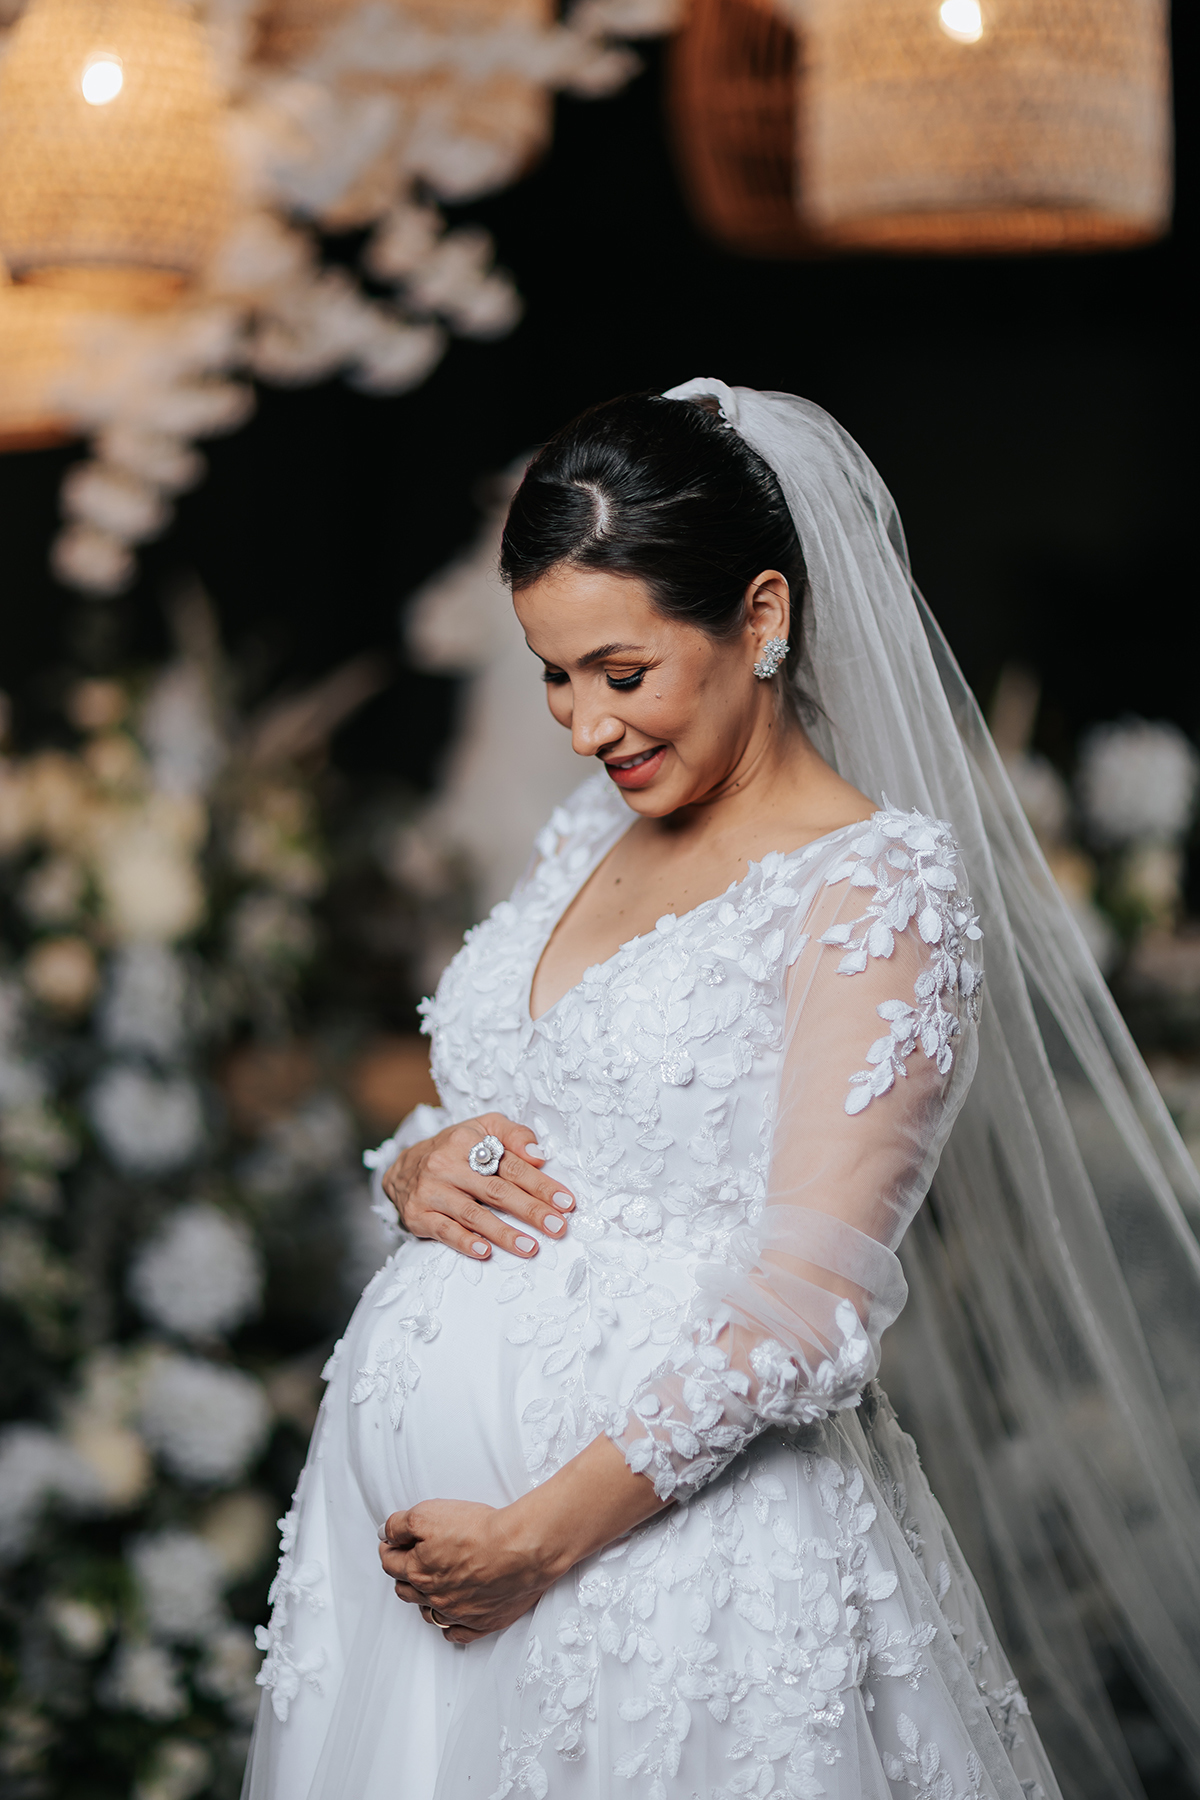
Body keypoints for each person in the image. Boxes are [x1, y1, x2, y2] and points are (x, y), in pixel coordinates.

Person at [241, 384, 1200, 1800]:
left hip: (665, 1571)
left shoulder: (877, 889)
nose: (583, 726)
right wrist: (417, 1162)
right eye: (552, 676)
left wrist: (540, 1538)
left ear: (761, 617)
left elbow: (809, 1300)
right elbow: (524, 1093)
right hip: (424, 1594)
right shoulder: (583, 832)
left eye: (621, 673)